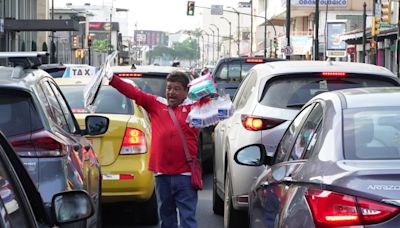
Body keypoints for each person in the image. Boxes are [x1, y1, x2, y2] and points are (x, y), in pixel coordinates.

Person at [106, 71, 199, 228]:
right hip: (162, 175)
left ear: (185, 92)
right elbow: (134, 93)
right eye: (169, 88)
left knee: (187, 219)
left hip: (185, 175)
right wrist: (112, 79)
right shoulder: (156, 104)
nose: (171, 92)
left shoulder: (195, 109)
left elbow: (214, 108)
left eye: (176, 89)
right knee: (166, 217)